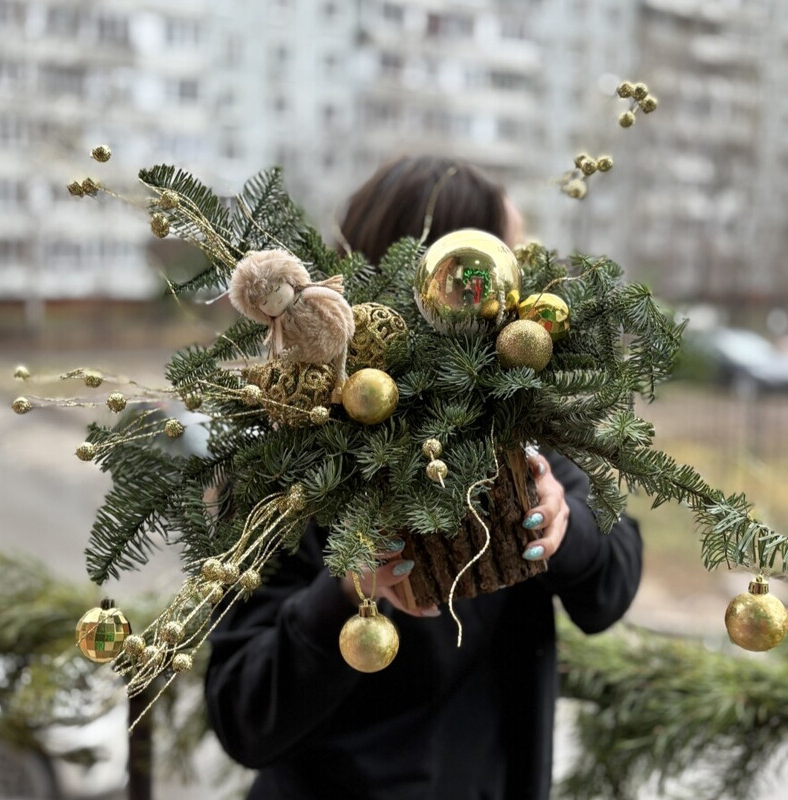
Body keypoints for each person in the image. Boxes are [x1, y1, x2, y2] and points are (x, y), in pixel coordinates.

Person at [204, 155, 643, 800]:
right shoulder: (293, 457)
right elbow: (243, 715)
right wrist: (346, 591)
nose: (529, 288)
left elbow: (609, 589)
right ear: (452, 283)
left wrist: (563, 528)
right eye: (514, 257)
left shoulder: (518, 421)